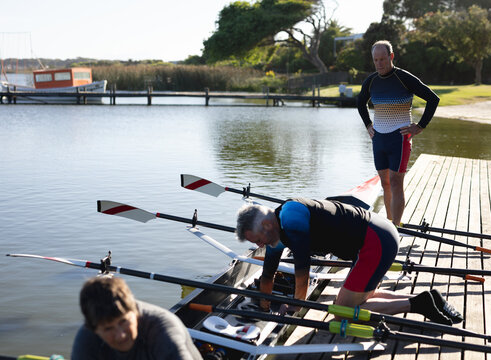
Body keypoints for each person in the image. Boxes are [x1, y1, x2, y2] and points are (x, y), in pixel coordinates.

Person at [236, 199, 462, 325]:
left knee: (341, 310)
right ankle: (429, 299)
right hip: (374, 237)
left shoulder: (291, 218)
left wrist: (297, 305)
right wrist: (264, 308)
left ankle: (417, 305)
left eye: (257, 240)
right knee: (362, 297)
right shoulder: (276, 234)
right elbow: (268, 275)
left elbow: (302, 268)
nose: (259, 246)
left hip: (375, 241)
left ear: (266, 225)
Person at [357, 40, 440, 226]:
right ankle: (388, 223)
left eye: (383, 59)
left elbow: (433, 99)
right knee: (385, 183)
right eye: (376, 60)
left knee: (395, 182)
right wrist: (368, 125)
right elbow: (360, 102)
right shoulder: (371, 81)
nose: (379, 63)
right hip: (379, 139)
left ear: (391, 56)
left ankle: (396, 225)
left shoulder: (404, 78)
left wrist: (420, 126)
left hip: (399, 138)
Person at [71, 276, 203, 360]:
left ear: (135, 311)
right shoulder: (86, 339)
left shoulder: (162, 330)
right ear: (94, 329)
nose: (121, 335)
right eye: (108, 328)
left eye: (123, 321)